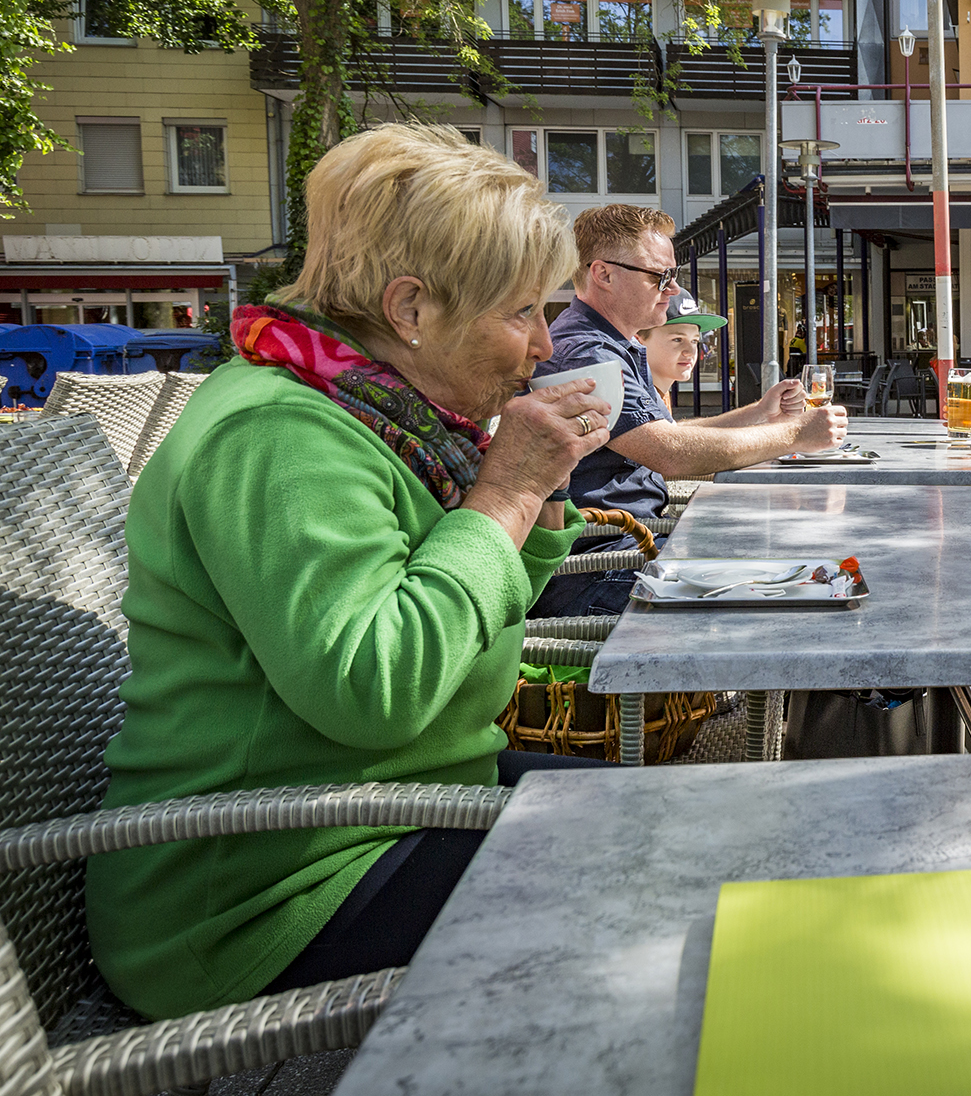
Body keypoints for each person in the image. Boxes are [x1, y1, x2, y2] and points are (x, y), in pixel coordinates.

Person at [87, 125, 616, 1021]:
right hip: (262, 894)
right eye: (521, 311)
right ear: (411, 308)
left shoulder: (385, 414)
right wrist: (502, 497)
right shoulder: (279, 434)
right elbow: (372, 686)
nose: (542, 347)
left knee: (672, 822)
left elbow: (478, 620)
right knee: (655, 883)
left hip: (382, 814)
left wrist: (538, 496)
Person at [531, 203, 846, 619]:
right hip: (599, 567)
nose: (673, 289)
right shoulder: (588, 352)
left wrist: (758, 412)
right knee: (796, 583)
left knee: (799, 557)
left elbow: (663, 434)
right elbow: (671, 453)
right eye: (660, 276)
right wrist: (794, 435)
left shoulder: (612, 344)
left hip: (633, 546)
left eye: (673, 275)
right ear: (603, 274)